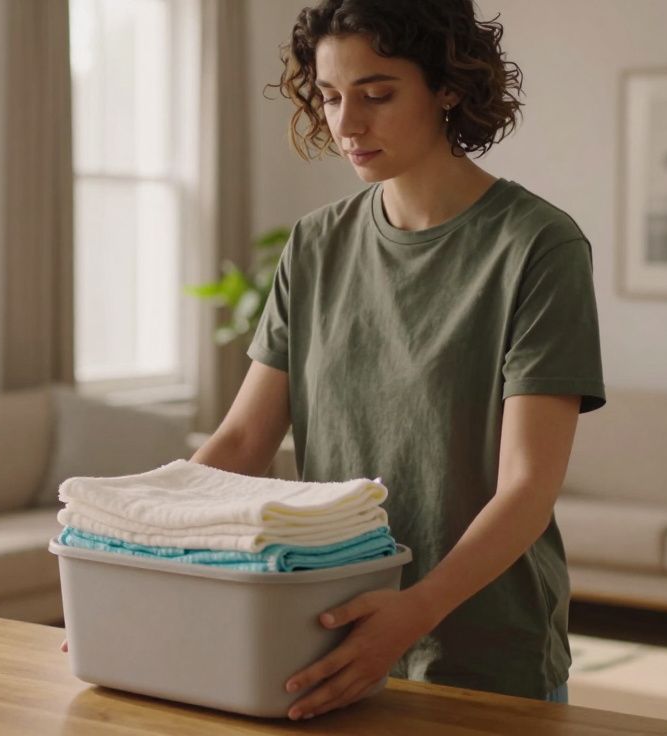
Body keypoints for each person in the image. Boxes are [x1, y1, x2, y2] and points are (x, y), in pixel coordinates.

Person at [187, 0, 605, 721]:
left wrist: (412, 614)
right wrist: (139, 555)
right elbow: (241, 441)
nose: (347, 124)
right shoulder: (315, 244)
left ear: (448, 87)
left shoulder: (537, 246)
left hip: (485, 651)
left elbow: (528, 488)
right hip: (326, 637)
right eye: (330, 96)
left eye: (377, 95)